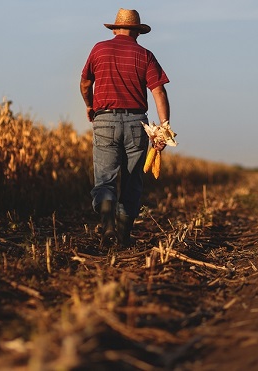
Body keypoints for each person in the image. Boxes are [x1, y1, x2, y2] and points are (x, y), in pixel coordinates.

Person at [80, 8, 171, 247]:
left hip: (105, 120)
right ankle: (122, 235)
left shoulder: (99, 49)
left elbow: (85, 82)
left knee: (105, 179)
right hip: (136, 124)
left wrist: (90, 105)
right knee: (132, 181)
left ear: (115, 28)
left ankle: (107, 222)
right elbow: (158, 90)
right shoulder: (145, 55)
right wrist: (164, 127)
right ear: (138, 32)